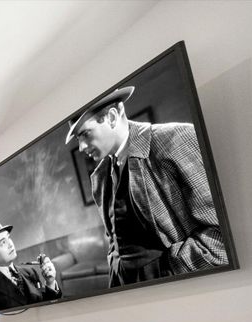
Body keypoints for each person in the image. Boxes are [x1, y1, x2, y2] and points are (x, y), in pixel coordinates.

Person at [67, 86, 228, 287]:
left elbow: (221, 230)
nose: (81, 147)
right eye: (78, 139)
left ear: (111, 117)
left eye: (85, 134)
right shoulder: (99, 176)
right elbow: (114, 243)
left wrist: (172, 270)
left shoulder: (174, 139)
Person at [0, 216, 61, 315]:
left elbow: (47, 307)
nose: (10, 244)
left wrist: (50, 282)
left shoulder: (30, 272)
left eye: (8, 238)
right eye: (3, 242)